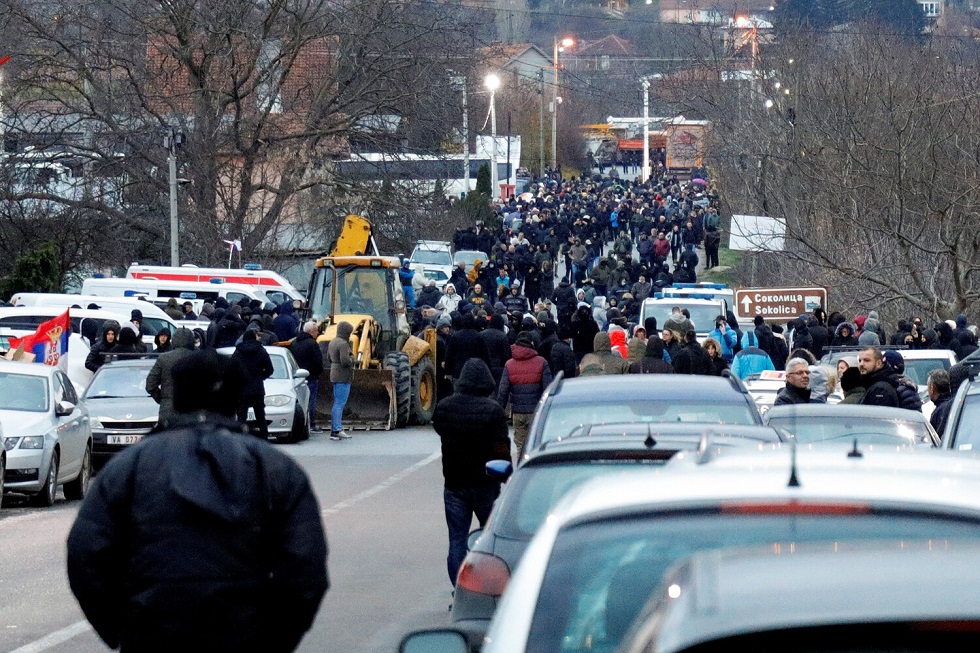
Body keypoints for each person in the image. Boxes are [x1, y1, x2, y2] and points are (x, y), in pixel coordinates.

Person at [67, 349, 328, 653]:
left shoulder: (129, 468)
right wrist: (272, 640)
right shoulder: (273, 469)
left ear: (177, 394)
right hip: (241, 635)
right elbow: (305, 569)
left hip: (152, 635)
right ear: (235, 398)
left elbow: (86, 556)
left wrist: (125, 627)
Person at [433, 358, 510, 586]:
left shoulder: (444, 408)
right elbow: (501, 447)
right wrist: (505, 474)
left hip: (454, 484)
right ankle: (489, 588)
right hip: (486, 484)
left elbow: (440, 429)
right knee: (491, 539)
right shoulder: (493, 411)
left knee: (457, 540)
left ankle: (459, 590)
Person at [498, 335, 553, 459]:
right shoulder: (541, 362)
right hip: (537, 411)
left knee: (520, 445)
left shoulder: (509, 364)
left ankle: (522, 469)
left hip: (518, 412)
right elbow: (548, 388)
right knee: (536, 444)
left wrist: (500, 410)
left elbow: (503, 391)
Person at [145, 328, 197, 427]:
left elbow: (150, 384)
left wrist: (161, 399)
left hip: (167, 406)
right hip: (192, 408)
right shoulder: (198, 358)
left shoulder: (163, 358)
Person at [233, 329, 275, 439]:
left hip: (242, 389)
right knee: (260, 415)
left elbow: (231, 369)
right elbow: (270, 369)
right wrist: (261, 376)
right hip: (257, 388)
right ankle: (264, 437)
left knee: (242, 416)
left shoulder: (238, 352)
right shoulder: (261, 351)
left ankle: (240, 438)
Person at [290, 320, 325, 432]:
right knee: (311, 400)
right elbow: (317, 361)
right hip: (310, 377)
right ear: (311, 331)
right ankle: (312, 423)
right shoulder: (312, 344)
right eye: (316, 331)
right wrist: (318, 373)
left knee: (300, 401)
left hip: (297, 377)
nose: (317, 333)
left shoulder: (294, 343)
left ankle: (300, 423)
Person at [327, 321, 355, 440]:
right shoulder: (344, 344)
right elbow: (345, 361)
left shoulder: (333, 342)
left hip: (334, 372)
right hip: (343, 375)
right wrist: (353, 360)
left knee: (337, 402)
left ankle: (335, 429)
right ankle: (337, 429)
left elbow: (328, 358)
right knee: (340, 403)